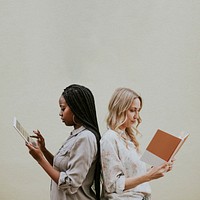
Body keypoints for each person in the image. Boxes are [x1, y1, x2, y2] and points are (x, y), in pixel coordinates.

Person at [26, 84, 101, 200]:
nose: (60, 113)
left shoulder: (86, 138)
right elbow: (60, 168)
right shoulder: (76, 135)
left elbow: (70, 184)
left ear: (76, 109)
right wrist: (43, 150)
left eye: (63, 108)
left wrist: (39, 159)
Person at [100, 87, 174, 200]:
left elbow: (136, 175)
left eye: (138, 110)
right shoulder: (110, 138)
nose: (137, 116)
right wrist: (148, 176)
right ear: (120, 109)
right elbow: (113, 185)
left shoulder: (129, 138)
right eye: (132, 110)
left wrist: (159, 168)